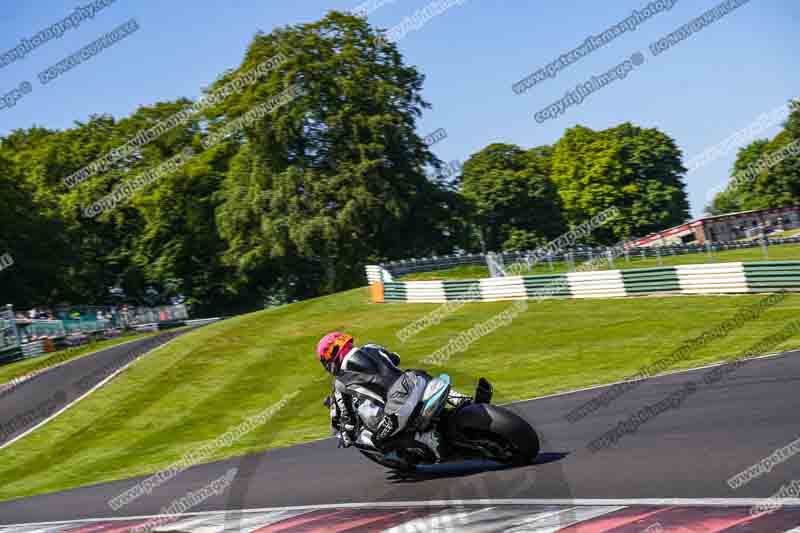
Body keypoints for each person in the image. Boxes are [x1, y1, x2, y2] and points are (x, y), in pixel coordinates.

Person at [317, 332, 470, 459]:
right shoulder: (371, 347)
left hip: (398, 404)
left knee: (379, 441)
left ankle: (426, 440)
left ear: (331, 357)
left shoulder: (340, 382)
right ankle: (457, 398)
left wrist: (347, 436)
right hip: (415, 380)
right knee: (417, 373)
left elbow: (348, 418)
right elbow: (395, 358)